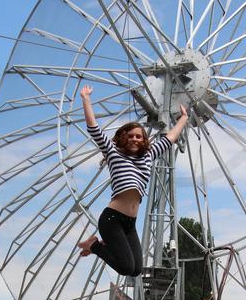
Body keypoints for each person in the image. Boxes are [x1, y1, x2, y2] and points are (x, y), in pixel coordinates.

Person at [78, 84, 189, 277]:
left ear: (144, 140)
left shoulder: (148, 156)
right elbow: (93, 129)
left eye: (139, 136)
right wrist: (86, 99)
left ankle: (103, 245)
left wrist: (184, 119)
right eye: (130, 136)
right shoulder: (113, 153)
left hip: (130, 223)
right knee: (125, 267)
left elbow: (169, 138)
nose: (135, 139)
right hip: (112, 219)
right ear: (123, 138)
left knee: (136, 270)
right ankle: (94, 245)